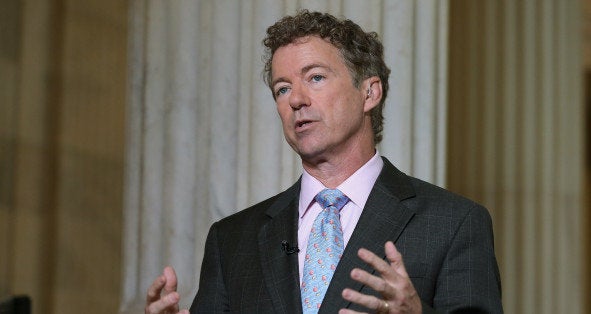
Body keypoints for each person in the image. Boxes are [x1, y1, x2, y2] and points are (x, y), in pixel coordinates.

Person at [145, 10, 502, 314]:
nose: (296, 99)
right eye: (282, 88)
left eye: (315, 77)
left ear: (369, 92)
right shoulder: (232, 239)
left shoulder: (454, 222)